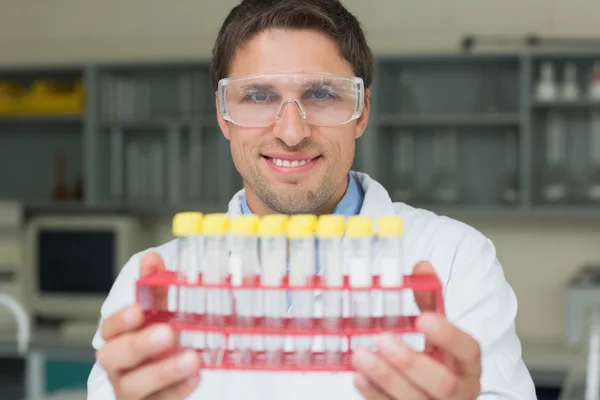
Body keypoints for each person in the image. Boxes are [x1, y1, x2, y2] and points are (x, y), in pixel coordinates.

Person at [87, 0, 537, 399]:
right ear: (224, 116)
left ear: (361, 113)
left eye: (321, 94)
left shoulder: (455, 261)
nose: (291, 132)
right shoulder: (150, 285)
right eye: (258, 96)